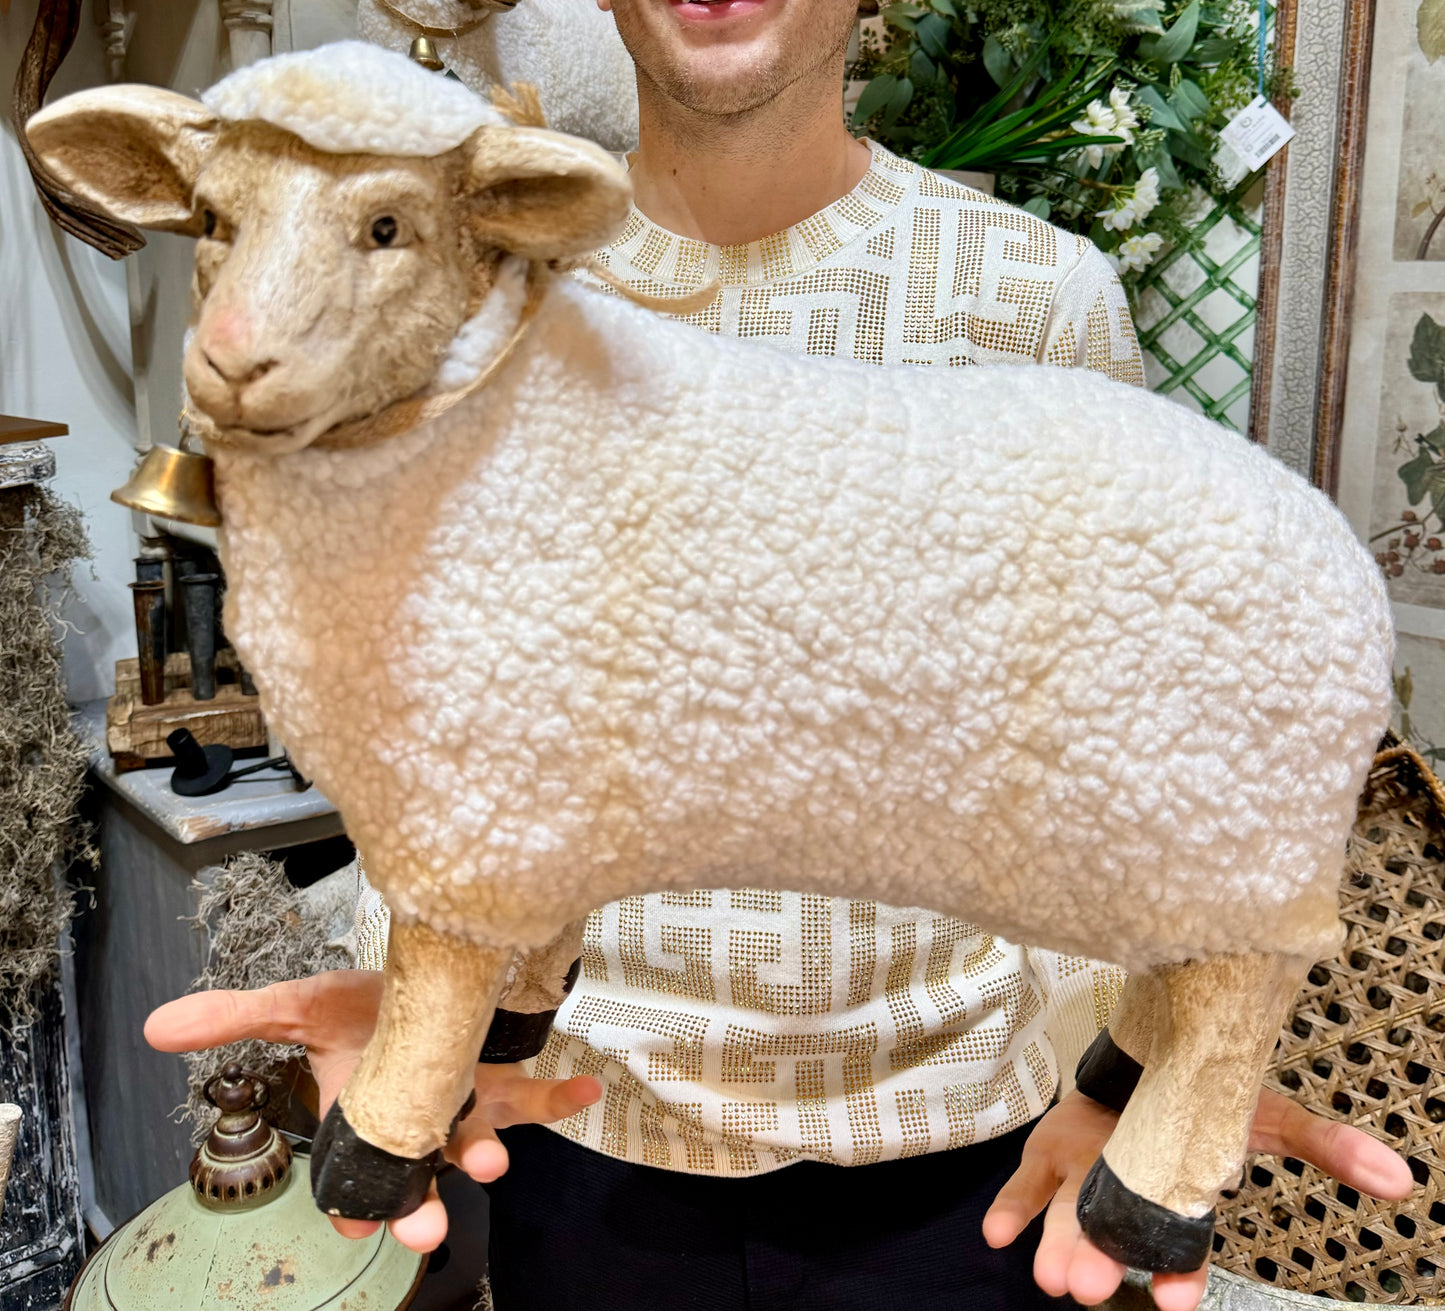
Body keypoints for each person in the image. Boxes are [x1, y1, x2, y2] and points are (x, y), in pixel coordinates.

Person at [145, 0, 1414, 1307]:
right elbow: (431, 682)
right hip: (588, 1129)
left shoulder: (1034, 295)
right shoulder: (462, 281)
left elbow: (1122, 715)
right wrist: (414, 986)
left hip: (953, 1153)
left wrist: (1133, 1074)